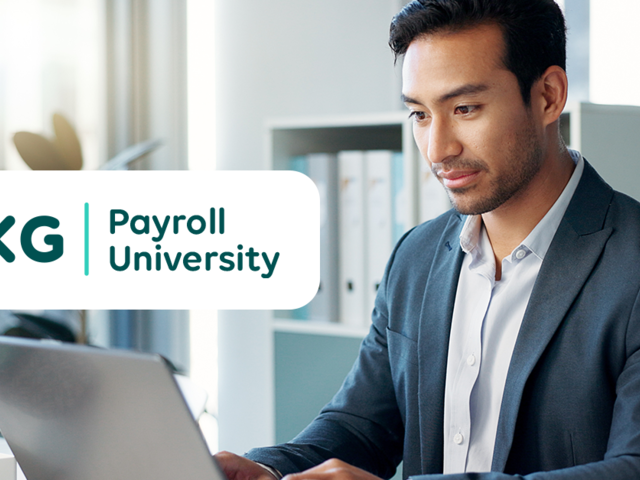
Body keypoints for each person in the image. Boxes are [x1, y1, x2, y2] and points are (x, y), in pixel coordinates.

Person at [216, 0, 640, 478]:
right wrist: (265, 470)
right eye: (419, 114)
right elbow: (361, 427)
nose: (438, 149)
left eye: (465, 108)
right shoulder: (415, 256)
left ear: (548, 95)